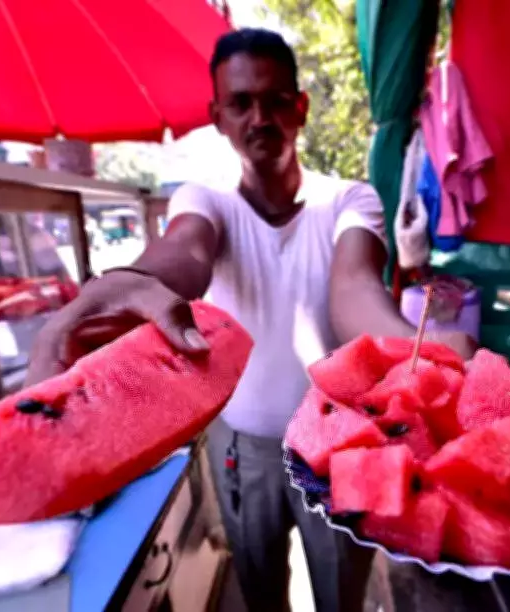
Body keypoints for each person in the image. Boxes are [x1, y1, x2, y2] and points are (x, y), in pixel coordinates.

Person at [26, 28, 473, 612]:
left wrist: (417, 352)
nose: (259, 117)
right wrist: (132, 283)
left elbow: (354, 286)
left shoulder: (349, 199)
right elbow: (185, 253)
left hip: (342, 443)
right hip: (241, 446)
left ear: (301, 107)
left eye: (275, 99)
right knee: (261, 586)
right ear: (218, 117)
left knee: (342, 591)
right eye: (240, 103)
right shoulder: (204, 201)